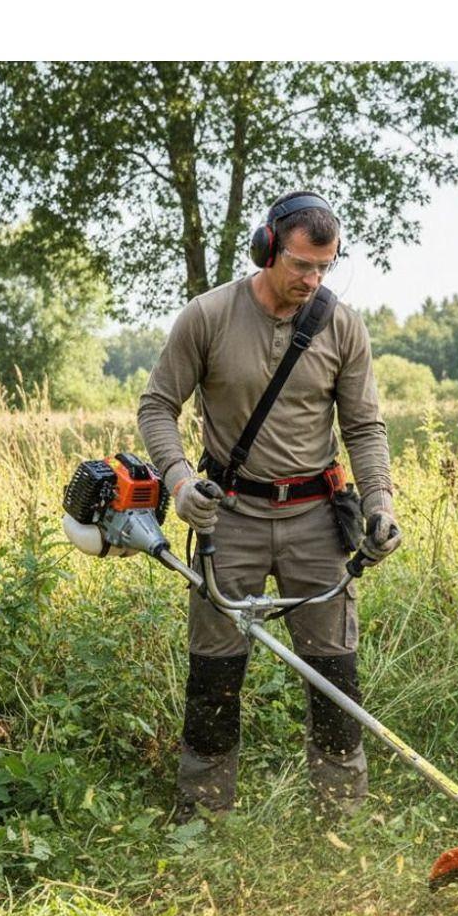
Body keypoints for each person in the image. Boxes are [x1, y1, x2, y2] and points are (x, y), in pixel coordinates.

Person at [138, 189, 401, 821]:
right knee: (214, 677)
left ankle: (341, 820)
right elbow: (156, 407)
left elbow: (364, 428)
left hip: (317, 518)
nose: (312, 280)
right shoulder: (207, 316)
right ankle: (201, 818)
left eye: (325, 267)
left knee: (334, 677)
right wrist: (178, 483)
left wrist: (381, 504)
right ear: (267, 248)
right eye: (301, 265)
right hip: (230, 518)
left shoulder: (342, 325)